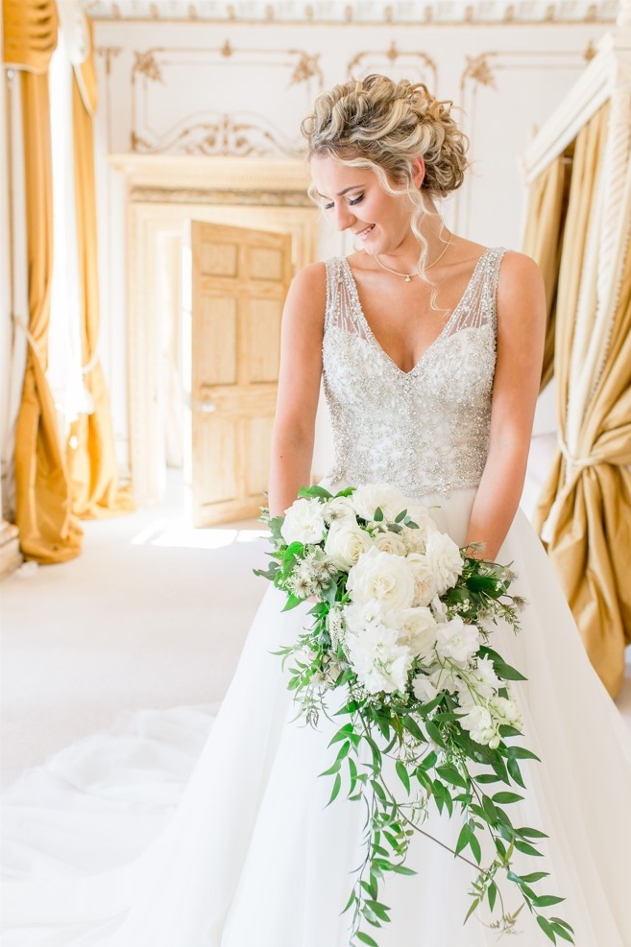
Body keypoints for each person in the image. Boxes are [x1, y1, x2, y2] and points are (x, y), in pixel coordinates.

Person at [2, 74, 631, 947]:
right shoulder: (317, 288)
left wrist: (467, 581)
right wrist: (304, 561)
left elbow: (510, 437)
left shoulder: (508, 279)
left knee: (495, 752)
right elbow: (291, 432)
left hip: (478, 544)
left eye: (354, 195)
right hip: (349, 549)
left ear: (411, 171)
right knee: (325, 759)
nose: (341, 218)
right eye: (325, 200)